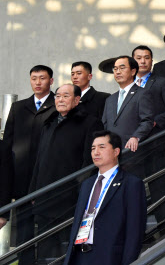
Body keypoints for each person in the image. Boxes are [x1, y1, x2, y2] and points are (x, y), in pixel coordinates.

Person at [29, 84, 103, 264]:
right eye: (58, 96)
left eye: (65, 96)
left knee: (69, 246)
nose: (60, 100)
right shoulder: (49, 122)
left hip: (71, 196)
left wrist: (82, 189)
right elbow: (39, 160)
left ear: (77, 100)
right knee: (46, 248)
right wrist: (33, 190)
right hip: (44, 194)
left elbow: (91, 161)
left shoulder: (89, 122)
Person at [64, 131, 146, 265]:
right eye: (93, 148)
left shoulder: (131, 184)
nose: (96, 152)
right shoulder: (87, 184)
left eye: (102, 147)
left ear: (116, 152)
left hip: (109, 258)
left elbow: (134, 232)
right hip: (80, 256)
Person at [3, 65, 56, 264]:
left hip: (48, 176)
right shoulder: (18, 107)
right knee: (24, 227)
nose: (37, 82)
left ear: (51, 81)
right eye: (34, 78)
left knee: (48, 225)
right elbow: (8, 142)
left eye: (42, 78)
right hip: (22, 177)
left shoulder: (57, 104)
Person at [132, 45, 165, 223]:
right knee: (133, 190)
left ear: (152, 61)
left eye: (147, 57)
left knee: (159, 187)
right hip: (132, 145)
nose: (143, 61)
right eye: (138, 58)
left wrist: (156, 121)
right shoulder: (128, 85)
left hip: (155, 143)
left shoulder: (160, 82)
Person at [101, 56, 155, 152]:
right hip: (111, 152)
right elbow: (105, 125)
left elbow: (147, 121)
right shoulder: (110, 99)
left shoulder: (142, 94)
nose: (117, 72)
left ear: (133, 71)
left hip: (131, 150)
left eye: (122, 68)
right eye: (115, 69)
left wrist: (136, 137)